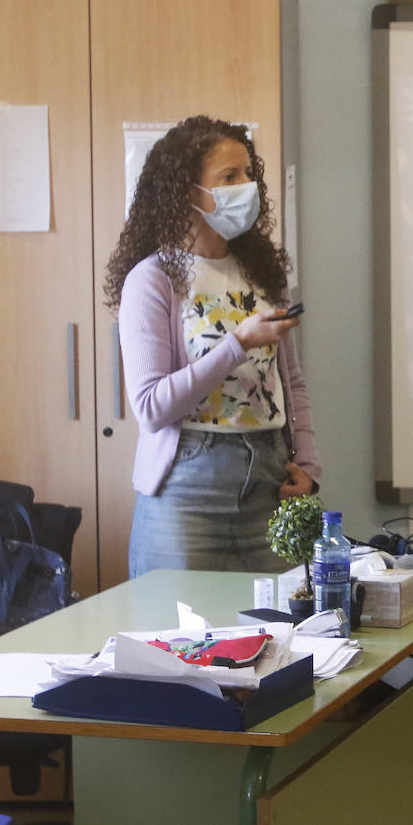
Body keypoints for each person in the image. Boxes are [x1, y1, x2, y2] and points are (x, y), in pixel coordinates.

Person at [102, 115, 321, 576]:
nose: (247, 186)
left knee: (283, 635)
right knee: (173, 641)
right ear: (188, 192)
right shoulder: (153, 280)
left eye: (248, 174)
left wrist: (308, 462)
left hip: (269, 477)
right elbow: (151, 407)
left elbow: (292, 382)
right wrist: (238, 343)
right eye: (229, 177)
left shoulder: (263, 272)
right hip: (186, 487)